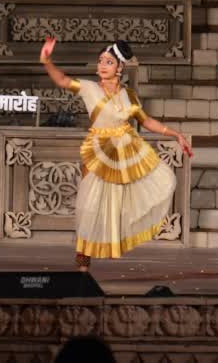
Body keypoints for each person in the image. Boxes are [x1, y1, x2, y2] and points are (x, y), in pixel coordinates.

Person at [40, 37, 190, 269]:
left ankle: (106, 246)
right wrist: (47, 61)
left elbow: (146, 120)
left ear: (120, 68)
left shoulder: (128, 95)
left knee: (120, 202)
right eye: (100, 61)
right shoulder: (90, 88)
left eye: (108, 62)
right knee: (89, 204)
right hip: (99, 151)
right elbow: (62, 80)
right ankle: (83, 258)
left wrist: (175, 133)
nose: (102, 65)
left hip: (125, 152)